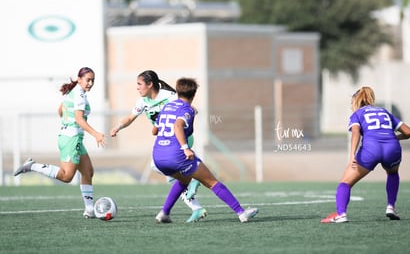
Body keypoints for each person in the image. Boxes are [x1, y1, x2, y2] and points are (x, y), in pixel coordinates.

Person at [152, 77, 259, 223]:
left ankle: (164, 213)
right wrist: (185, 149)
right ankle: (241, 213)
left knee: (184, 180)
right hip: (176, 155)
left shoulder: (167, 107)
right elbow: (177, 126)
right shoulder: (187, 109)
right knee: (212, 182)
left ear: (177, 91)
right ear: (194, 94)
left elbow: (154, 130)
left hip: (158, 156)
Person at [110, 70, 207, 223]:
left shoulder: (169, 96)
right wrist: (118, 127)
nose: (137, 87)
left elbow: (190, 107)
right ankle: (196, 207)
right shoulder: (142, 102)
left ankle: (193, 180)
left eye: (139, 84)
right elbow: (130, 118)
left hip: (181, 139)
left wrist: (189, 112)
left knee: (159, 166)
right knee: (170, 175)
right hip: (166, 141)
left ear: (150, 85)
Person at [14, 67, 105, 218]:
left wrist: (68, 122)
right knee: (66, 176)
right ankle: (32, 166)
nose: (90, 83)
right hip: (71, 138)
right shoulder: (80, 95)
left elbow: (60, 110)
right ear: (79, 78)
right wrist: (96, 134)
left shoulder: (74, 91)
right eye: (88, 80)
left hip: (71, 137)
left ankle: (89, 210)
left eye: (93, 80)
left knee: (88, 172)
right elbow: (79, 119)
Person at [321, 86, 410, 223]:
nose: (351, 106)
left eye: (351, 103)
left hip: (371, 150)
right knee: (393, 173)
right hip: (392, 149)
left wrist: (352, 154)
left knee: (345, 182)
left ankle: (341, 214)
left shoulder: (357, 114)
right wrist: (394, 138)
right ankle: (391, 207)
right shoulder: (385, 112)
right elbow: (409, 132)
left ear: (356, 101)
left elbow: (356, 133)